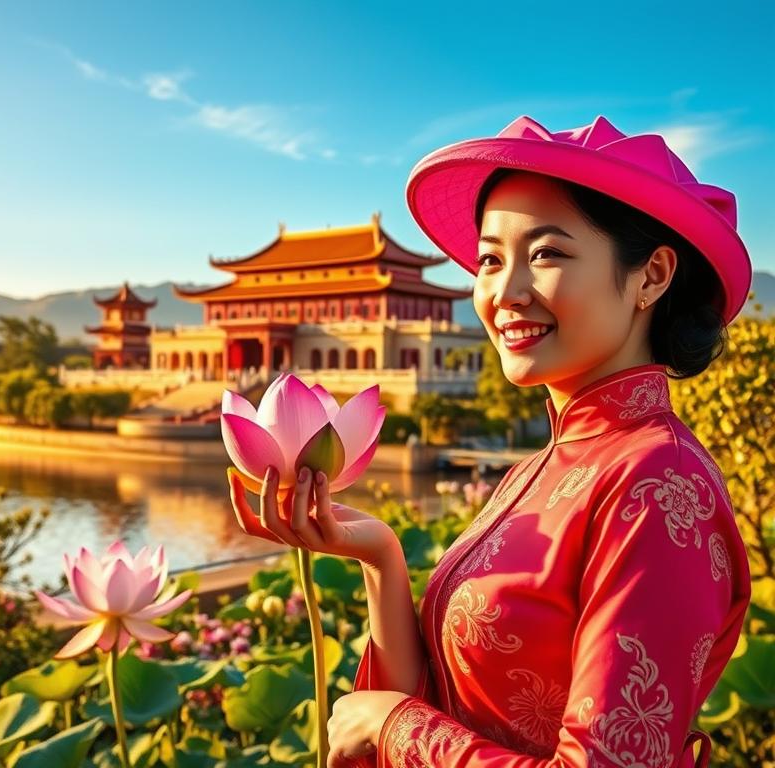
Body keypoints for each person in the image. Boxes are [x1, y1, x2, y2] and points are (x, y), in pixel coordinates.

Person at [226, 114, 753, 767]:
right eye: (490, 260)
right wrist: (382, 559)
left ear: (652, 276)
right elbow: (454, 700)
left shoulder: (658, 483)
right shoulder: (539, 468)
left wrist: (398, 729)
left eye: (547, 254)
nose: (505, 292)